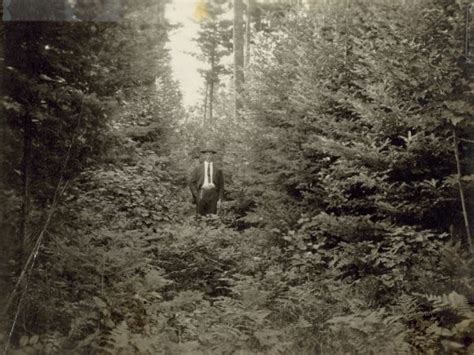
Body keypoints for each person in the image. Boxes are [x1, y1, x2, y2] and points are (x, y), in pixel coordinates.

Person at [188, 145, 224, 216]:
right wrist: (196, 194)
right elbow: (191, 182)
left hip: (213, 194)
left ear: (213, 156)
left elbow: (221, 185)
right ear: (204, 156)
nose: (209, 156)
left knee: (212, 216)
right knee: (200, 216)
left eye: (211, 154)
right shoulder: (198, 168)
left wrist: (219, 199)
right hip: (202, 193)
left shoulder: (218, 169)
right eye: (207, 154)